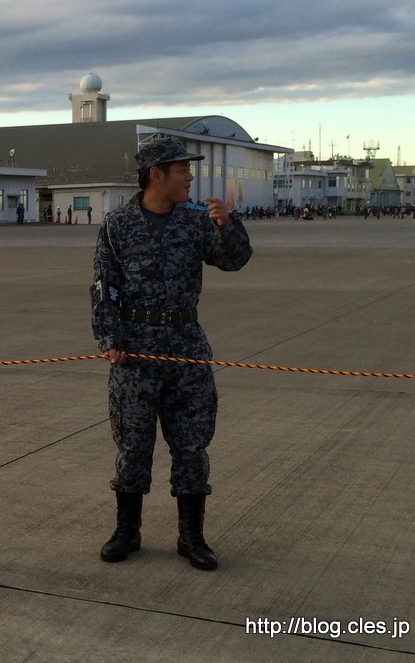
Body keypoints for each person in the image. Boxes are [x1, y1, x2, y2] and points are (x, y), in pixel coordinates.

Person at [90, 136, 251, 571]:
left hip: (185, 345)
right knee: (132, 444)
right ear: (156, 175)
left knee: (192, 444)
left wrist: (226, 225)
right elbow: (106, 286)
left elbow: (234, 261)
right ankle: (128, 531)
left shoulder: (197, 220)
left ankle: (191, 537)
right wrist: (110, 339)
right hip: (135, 350)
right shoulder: (118, 224)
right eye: (183, 169)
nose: (190, 176)